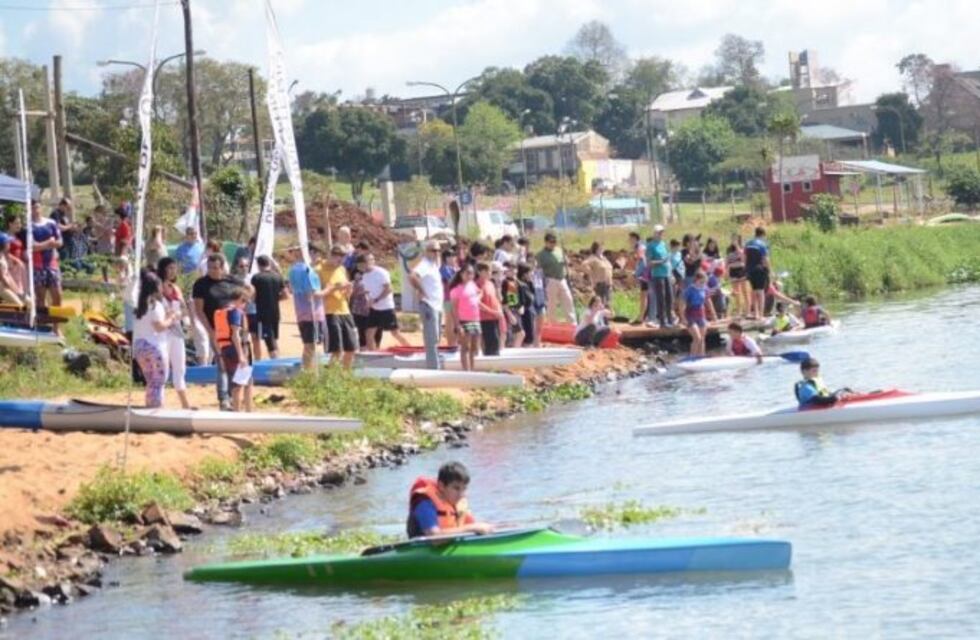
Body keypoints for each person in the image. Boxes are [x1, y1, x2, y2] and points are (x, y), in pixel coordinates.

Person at [192, 252, 248, 409]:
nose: (213, 271)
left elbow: (249, 290)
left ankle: (234, 394)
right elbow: (199, 310)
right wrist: (210, 331)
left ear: (222, 267)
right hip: (216, 329)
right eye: (210, 268)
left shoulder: (231, 280)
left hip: (235, 327)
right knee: (222, 362)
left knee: (237, 362)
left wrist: (242, 305)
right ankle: (224, 398)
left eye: (216, 268)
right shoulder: (201, 284)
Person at [406, 461, 494, 538]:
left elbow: (473, 527)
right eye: (456, 488)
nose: (461, 494)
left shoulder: (458, 504)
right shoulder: (424, 502)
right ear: (441, 486)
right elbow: (433, 537)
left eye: (464, 489)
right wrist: (472, 528)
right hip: (422, 549)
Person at [133, 270, 177, 408]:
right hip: (153, 346)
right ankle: (156, 408)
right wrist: (171, 318)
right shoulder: (155, 305)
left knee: (151, 381)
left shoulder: (139, 305)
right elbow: (159, 327)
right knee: (158, 381)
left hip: (139, 346)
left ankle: (150, 405)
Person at [156, 257, 192, 410]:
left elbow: (184, 309)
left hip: (176, 330)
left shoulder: (175, 288)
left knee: (180, 367)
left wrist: (179, 315)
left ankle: (185, 404)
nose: (172, 271)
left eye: (174, 268)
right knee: (162, 368)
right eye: (169, 268)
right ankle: (159, 402)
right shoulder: (157, 287)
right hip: (162, 331)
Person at [287, 246, 327, 371]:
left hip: (301, 312)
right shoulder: (309, 271)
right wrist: (330, 289)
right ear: (311, 254)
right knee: (310, 345)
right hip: (312, 313)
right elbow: (313, 293)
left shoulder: (293, 270)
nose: (318, 259)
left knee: (308, 344)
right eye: (317, 255)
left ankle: (307, 370)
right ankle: (308, 372)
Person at [319, 245, 358, 369]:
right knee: (336, 350)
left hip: (345, 310)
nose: (340, 261)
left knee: (351, 348)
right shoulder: (319, 270)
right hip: (329, 312)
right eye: (337, 258)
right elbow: (317, 294)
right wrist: (335, 287)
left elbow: (346, 295)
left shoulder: (341, 269)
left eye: (342, 258)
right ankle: (331, 378)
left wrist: (348, 289)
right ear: (331, 255)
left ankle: (345, 376)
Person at [214, 287, 253, 412]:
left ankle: (242, 411)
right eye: (245, 301)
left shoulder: (222, 312)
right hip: (236, 349)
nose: (245, 305)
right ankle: (244, 412)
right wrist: (242, 355)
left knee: (239, 382)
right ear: (240, 299)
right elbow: (235, 334)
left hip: (226, 349)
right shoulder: (235, 312)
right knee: (242, 383)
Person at [408, 240, 444, 369]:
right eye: (433, 250)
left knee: (436, 338)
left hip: (437, 306)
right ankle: (433, 368)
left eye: (438, 250)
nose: (437, 253)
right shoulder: (424, 264)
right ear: (426, 252)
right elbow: (412, 276)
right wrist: (421, 291)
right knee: (431, 339)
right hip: (429, 305)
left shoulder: (434, 265)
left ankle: (435, 365)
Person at [361, 252, 409, 349]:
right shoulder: (364, 276)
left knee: (395, 333)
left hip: (386, 308)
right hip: (374, 309)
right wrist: (367, 301)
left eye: (371, 260)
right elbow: (367, 291)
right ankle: (373, 356)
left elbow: (389, 289)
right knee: (369, 333)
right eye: (366, 261)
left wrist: (376, 300)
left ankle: (410, 349)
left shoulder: (381, 272)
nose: (369, 263)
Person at [25, 200, 63, 309]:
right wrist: (49, 243)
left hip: (52, 264)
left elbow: (60, 242)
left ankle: (56, 325)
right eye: (33, 208)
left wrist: (43, 245)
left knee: (57, 295)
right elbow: (32, 247)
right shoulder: (29, 226)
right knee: (40, 298)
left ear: (41, 208)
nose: (36, 210)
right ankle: (43, 324)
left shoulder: (51, 223)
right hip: (37, 265)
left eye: (37, 207)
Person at [250, 255, 287, 359]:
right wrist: (275, 298)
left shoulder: (256, 278)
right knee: (273, 338)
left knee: (269, 342)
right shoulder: (277, 276)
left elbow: (252, 296)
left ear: (258, 265)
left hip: (262, 314)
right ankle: (276, 359)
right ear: (269, 263)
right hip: (275, 313)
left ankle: (276, 363)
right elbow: (286, 295)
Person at [535, 232, 575, 324]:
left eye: (554, 242)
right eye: (551, 242)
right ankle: (552, 323)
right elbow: (539, 270)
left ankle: (572, 322)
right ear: (546, 242)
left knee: (568, 300)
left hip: (562, 278)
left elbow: (567, 261)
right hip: (551, 280)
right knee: (552, 304)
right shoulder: (541, 255)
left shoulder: (559, 250)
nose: (553, 244)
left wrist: (566, 261)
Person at [448, 265, 481, 371]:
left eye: (471, 273)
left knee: (474, 347)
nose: (469, 275)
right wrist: (458, 325)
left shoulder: (473, 285)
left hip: (475, 319)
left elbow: (479, 292)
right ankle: (466, 370)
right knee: (465, 347)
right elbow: (453, 308)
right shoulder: (456, 290)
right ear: (461, 274)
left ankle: (472, 368)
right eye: (467, 273)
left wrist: (477, 299)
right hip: (464, 320)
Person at [646, 225, 672, 328]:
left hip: (666, 273)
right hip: (658, 274)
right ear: (654, 233)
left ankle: (669, 319)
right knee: (661, 297)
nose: (661, 234)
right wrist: (661, 262)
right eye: (659, 232)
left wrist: (671, 272)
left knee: (669, 297)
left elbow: (667, 258)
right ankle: (662, 321)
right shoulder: (651, 246)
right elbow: (649, 262)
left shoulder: (663, 244)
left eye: (662, 232)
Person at [684, 271, 714, 357]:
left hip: (701, 314)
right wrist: (682, 318)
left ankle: (701, 356)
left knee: (702, 339)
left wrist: (713, 314)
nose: (703, 284)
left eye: (704, 282)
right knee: (697, 338)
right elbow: (682, 303)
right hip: (690, 315)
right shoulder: (689, 290)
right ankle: (692, 357)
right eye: (701, 282)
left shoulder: (705, 288)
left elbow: (708, 301)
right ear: (696, 280)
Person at [475, 263, 503, 356]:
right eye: (486, 271)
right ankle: (491, 366)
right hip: (485, 318)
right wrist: (492, 312)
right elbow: (478, 303)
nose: (489, 273)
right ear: (479, 272)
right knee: (490, 342)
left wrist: (499, 311)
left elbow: (495, 299)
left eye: (490, 271)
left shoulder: (490, 283)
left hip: (494, 317)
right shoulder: (477, 285)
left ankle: (496, 365)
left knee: (496, 341)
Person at [50, 198, 86, 270]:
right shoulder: (55, 214)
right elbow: (58, 227)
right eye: (67, 207)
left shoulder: (64, 215)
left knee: (70, 260)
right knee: (65, 262)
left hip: (68, 241)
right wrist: (70, 226)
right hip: (62, 243)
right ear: (63, 205)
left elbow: (66, 226)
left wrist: (74, 227)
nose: (68, 210)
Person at [744, 227, 771, 319]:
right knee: (761, 292)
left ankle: (755, 314)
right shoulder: (763, 244)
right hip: (759, 269)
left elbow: (744, 257)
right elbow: (765, 259)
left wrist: (746, 269)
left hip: (750, 270)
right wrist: (769, 270)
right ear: (763, 234)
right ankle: (761, 315)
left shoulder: (748, 243)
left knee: (754, 291)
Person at [350, 255, 372, 349]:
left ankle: (373, 347)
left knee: (371, 330)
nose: (361, 266)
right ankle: (362, 347)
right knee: (361, 330)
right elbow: (352, 293)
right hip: (358, 308)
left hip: (371, 307)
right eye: (359, 264)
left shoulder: (372, 274)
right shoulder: (355, 274)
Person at [582, 241, 613, 306]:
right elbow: (584, 264)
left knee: (608, 304)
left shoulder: (604, 259)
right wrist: (591, 273)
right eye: (600, 247)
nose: (602, 248)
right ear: (596, 248)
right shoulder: (593, 258)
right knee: (601, 304)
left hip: (608, 285)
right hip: (600, 285)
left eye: (602, 247)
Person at [500, 264, 524, 348]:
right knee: (509, 334)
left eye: (514, 269)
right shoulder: (504, 282)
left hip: (516, 309)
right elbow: (503, 299)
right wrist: (508, 313)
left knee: (520, 334)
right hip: (509, 310)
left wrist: (521, 306)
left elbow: (520, 296)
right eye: (510, 270)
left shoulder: (517, 282)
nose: (513, 271)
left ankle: (515, 350)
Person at [439, 250, 459, 348]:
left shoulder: (454, 268)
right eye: (449, 256)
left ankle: (454, 342)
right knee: (449, 320)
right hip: (448, 298)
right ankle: (451, 343)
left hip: (456, 298)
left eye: (453, 256)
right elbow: (451, 280)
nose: (452, 258)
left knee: (455, 320)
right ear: (445, 258)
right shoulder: (444, 268)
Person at [629, 231, 649, 325]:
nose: (629, 241)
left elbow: (643, 261)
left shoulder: (639, 247)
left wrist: (637, 274)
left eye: (630, 239)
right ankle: (643, 316)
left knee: (643, 296)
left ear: (635, 238)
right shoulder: (642, 246)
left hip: (645, 274)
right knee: (645, 295)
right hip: (646, 273)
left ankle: (641, 317)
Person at [725, 242, 749, 318]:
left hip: (741, 270)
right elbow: (726, 262)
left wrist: (738, 247)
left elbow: (743, 258)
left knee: (745, 291)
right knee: (736, 292)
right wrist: (727, 273)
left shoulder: (741, 250)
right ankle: (739, 310)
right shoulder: (729, 250)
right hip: (733, 271)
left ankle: (747, 310)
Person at [0, 235, 25, 305]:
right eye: (8, 242)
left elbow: (8, 276)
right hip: (2, 288)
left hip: (5, 286)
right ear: (2, 244)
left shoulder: (2, 255)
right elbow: (4, 278)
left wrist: (17, 290)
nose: (9, 244)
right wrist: (15, 291)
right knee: (20, 305)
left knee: (27, 302)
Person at [516, 263, 537, 347]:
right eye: (529, 273)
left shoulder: (529, 284)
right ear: (524, 274)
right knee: (527, 334)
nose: (531, 274)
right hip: (525, 312)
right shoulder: (520, 285)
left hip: (531, 311)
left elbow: (532, 296)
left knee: (531, 332)